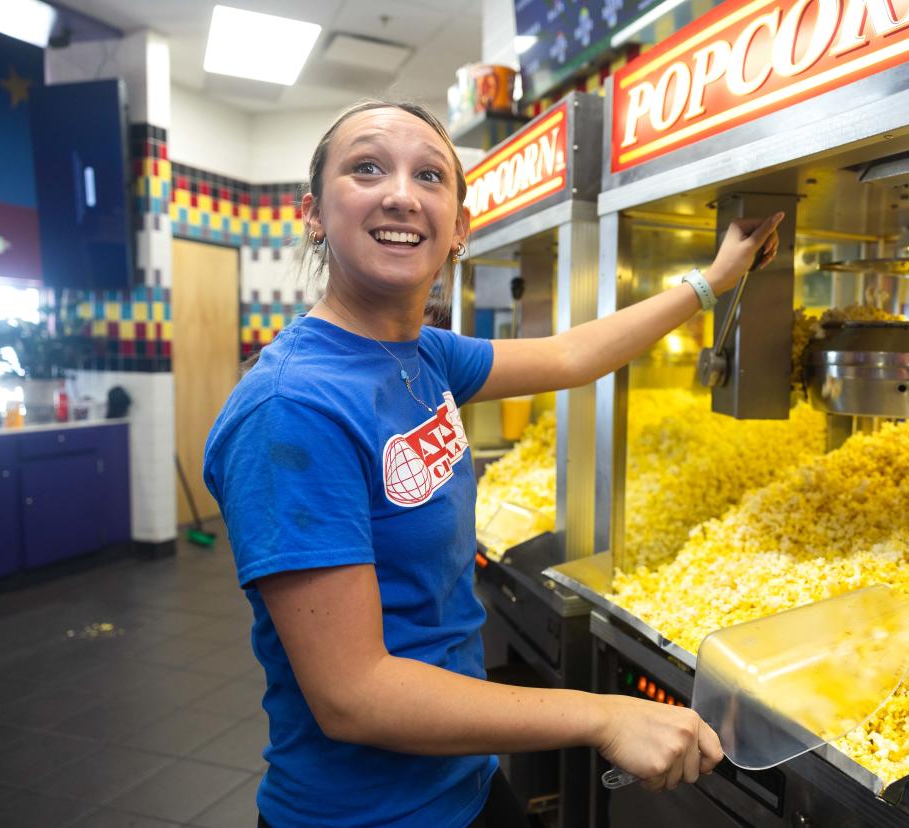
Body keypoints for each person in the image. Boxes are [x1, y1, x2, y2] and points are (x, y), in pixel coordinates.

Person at [203, 97, 784, 828]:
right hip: (363, 814)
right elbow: (353, 694)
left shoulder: (423, 355)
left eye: (430, 176)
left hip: (461, 783)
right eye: (367, 168)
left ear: (459, 230)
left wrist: (714, 282)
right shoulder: (292, 409)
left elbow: (574, 355)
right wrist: (601, 717)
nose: (401, 195)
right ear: (314, 212)